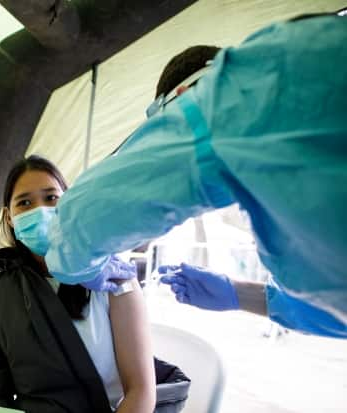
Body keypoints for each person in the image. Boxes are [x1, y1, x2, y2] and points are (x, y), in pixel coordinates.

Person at [44, 13, 347, 338]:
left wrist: (82, 266)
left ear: (181, 95)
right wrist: (242, 294)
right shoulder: (272, 158)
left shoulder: (232, 97)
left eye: (161, 125)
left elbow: (83, 218)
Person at [0, 155, 189, 413]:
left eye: (51, 198)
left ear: (71, 204)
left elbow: (141, 392)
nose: (40, 211)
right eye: (25, 203)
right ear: (9, 218)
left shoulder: (115, 279)